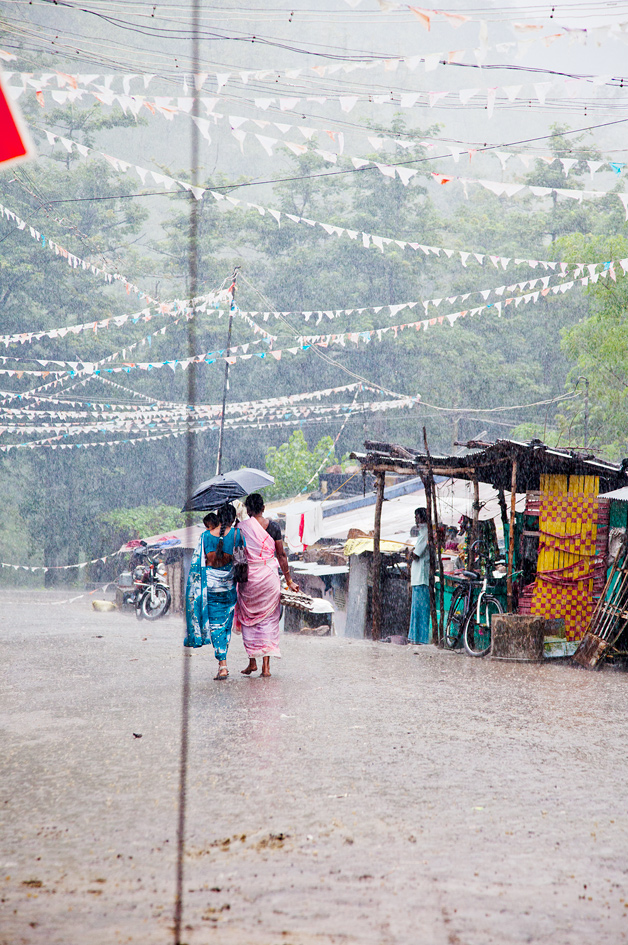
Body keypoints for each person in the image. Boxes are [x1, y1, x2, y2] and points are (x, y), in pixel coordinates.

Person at [235, 493, 299, 678]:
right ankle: (266, 667)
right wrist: (289, 580)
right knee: (269, 621)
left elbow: (238, 553)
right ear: (263, 508)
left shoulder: (240, 528)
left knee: (249, 620)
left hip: (249, 580)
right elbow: (281, 555)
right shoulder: (274, 527)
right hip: (269, 578)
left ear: (248, 510)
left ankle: (252, 662)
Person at [184, 503, 244, 680]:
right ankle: (223, 659)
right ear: (233, 519)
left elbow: (199, 563)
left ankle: (222, 664)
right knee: (225, 623)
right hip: (229, 586)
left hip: (210, 587)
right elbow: (242, 558)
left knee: (216, 625)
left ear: (218, 516)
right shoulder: (237, 534)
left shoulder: (205, 537)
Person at [408, 507, 431, 645]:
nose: (416, 520)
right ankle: (416, 637)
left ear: (422, 518)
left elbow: (417, 554)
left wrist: (411, 553)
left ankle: (420, 638)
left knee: (420, 611)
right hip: (417, 578)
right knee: (416, 610)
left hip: (421, 578)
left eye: (417, 517)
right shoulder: (422, 533)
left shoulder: (425, 533)